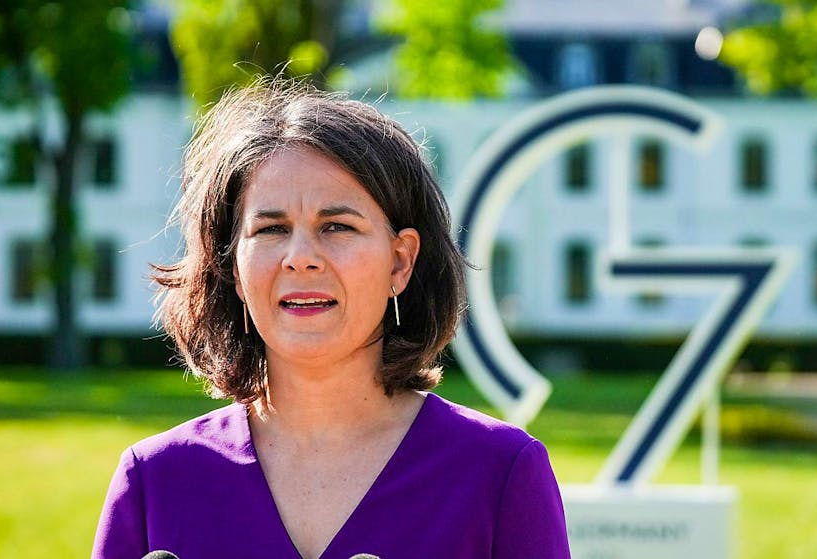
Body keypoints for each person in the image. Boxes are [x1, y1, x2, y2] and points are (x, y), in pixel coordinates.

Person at [92, 79, 571, 559]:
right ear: (233, 267)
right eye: (271, 228)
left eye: (337, 226)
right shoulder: (154, 481)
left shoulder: (501, 473)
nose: (301, 258)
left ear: (400, 262)